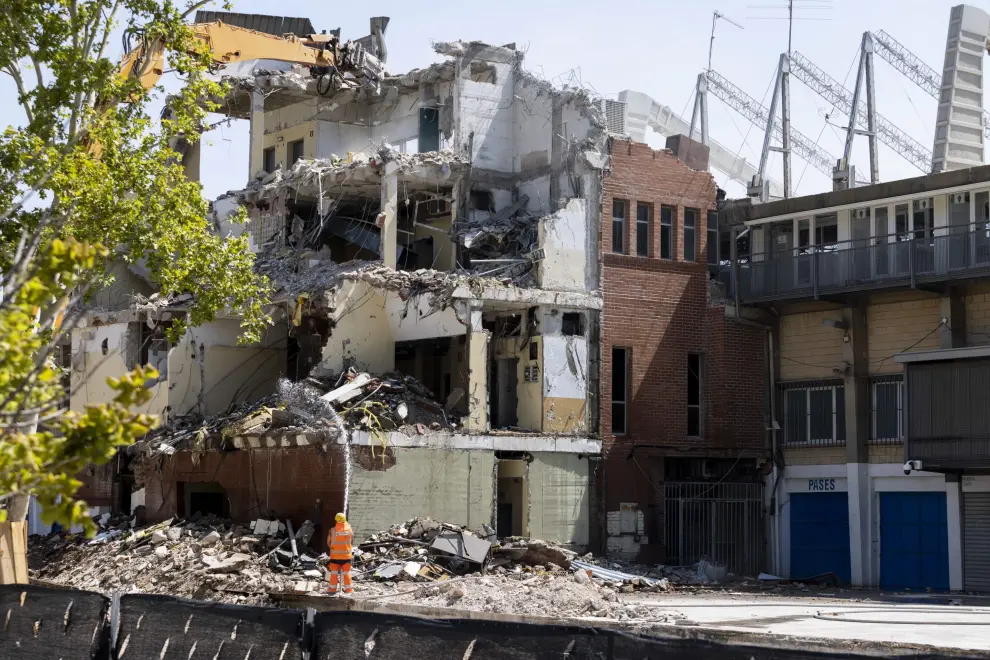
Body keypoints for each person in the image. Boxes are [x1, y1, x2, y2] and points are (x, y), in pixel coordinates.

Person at [327, 512, 353, 595]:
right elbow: (351, 540)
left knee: (334, 574)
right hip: (346, 557)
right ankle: (349, 590)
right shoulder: (349, 530)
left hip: (335, 557)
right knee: (346, 573)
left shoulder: (332, 530)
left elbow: (328, 543)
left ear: (336, 520)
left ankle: (332, 590)